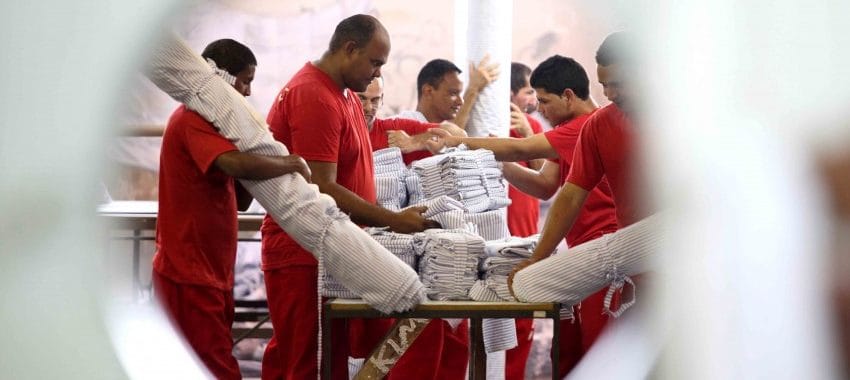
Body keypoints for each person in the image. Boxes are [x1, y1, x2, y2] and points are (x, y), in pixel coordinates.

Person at [261, 15, 439, 380]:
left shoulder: (343, 96)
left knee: (326, 362)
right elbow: (321, 187)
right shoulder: (314, 95)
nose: (376, 76)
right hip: (306, 252)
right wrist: (393, 220)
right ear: (349, 49)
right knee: (310, 366)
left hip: (331, 250)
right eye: (374, 64)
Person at [424, 55, 620, 377]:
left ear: (568, 96)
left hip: (603, 254)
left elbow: (522, 148)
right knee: (573, 348)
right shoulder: (572, 130)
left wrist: (462, 142)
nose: (538, 109)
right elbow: (545, 185)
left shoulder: (585, 127)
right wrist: (496, 163)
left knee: (598, 352)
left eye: (543, 100)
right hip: (583, 253)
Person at [151, 39, 312, 380]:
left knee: (209, 359)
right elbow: (232, 164)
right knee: (216, 367)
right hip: (189, 272)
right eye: (244, 81)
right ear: (221, 79)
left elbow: (239, 199)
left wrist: (257, 148)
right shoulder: (192, 119)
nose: (249, 93)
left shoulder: (218, 131)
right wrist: (287, 162)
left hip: (211, 271)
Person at [358, 76, 465, 164]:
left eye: (375, 100)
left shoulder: (392, 130)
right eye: (361, 98)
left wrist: (413, 141)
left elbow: (459, 134)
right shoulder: (342, 135)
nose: (369, 107)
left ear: (382, 100)